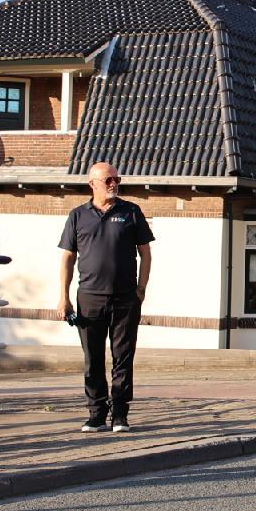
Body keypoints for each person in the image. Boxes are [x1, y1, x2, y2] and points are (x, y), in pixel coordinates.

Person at [57, 162, 153, 432]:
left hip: (125, 298)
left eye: (116, 179)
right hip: (89, 297)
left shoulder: (131, 212)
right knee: (93, 357)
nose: (113, 184)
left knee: (123, 356)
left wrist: (141, 289)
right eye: (108, 180)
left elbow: (145, 253)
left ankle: (120, 414)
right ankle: (96, 413)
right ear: (92, 184)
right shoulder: (78, 215)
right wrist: (63, 297)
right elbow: (67, 258)